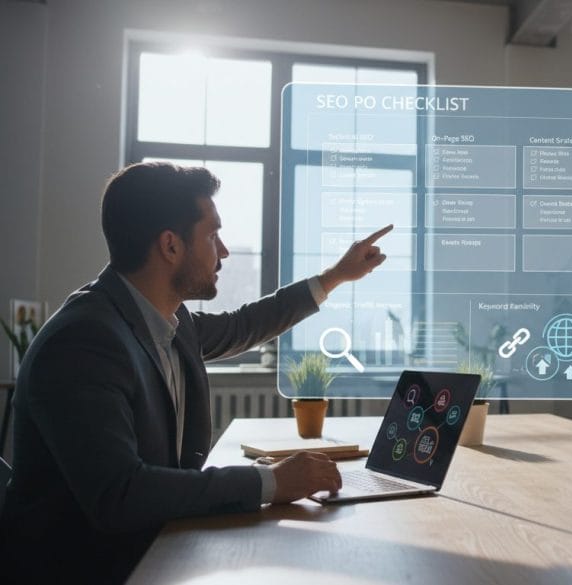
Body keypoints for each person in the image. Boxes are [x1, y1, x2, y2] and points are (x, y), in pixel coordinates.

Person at [0, 162, 393, 582]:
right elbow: (120, 494)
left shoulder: (168, 320)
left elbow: (244, 326)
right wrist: (270, 482)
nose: (223, 251)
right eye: (212, 235)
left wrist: (335, 276)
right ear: (170, 245)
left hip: (147, 550)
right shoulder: (83, 341)